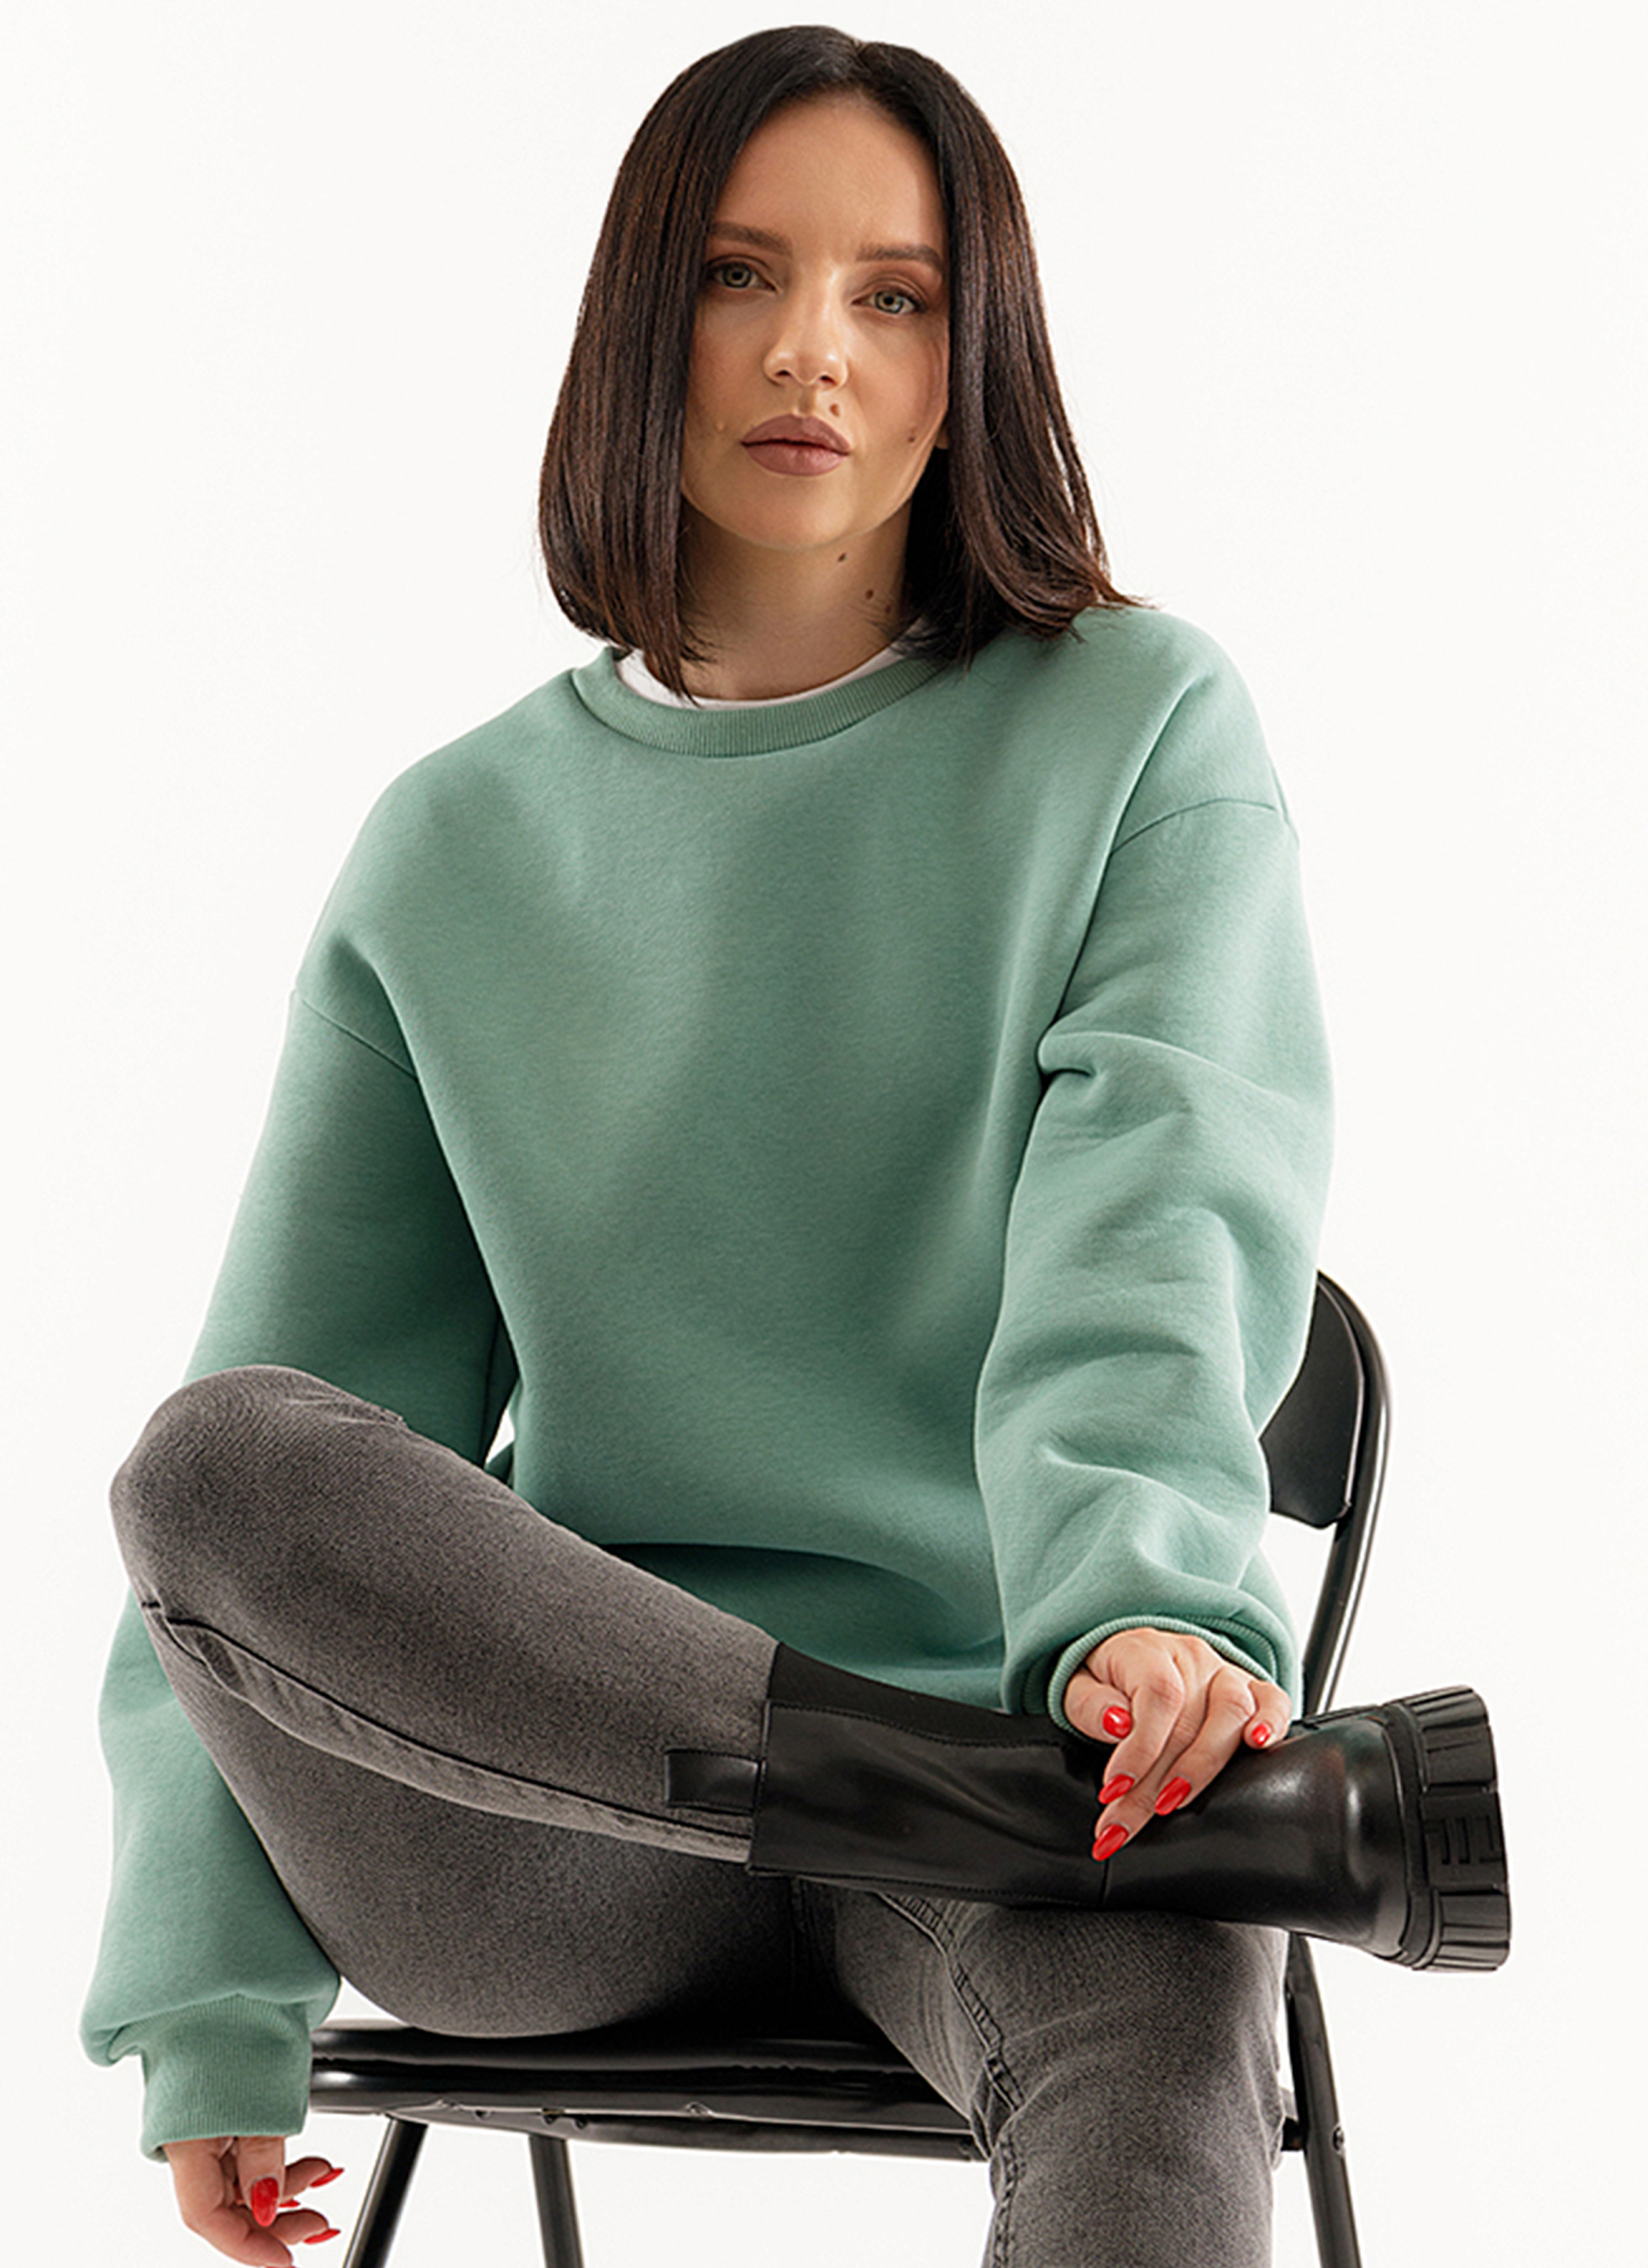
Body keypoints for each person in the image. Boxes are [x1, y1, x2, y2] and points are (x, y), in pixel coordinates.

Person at [81, 27, 1505, 2268]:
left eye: (894, 294)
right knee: (219, 1464)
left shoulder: (1135, 729)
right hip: (554, 1829)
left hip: (1035, 1739)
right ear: (637, 324)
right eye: (740, 275)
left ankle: (1000, 1809)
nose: (809, 350)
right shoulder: (451, 849)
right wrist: (208, 1996)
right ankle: (998, 1806)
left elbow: (1157, 1223)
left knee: (1160, 2034)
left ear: (973, 357)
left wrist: (1143, 1601)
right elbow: (287, 1474)